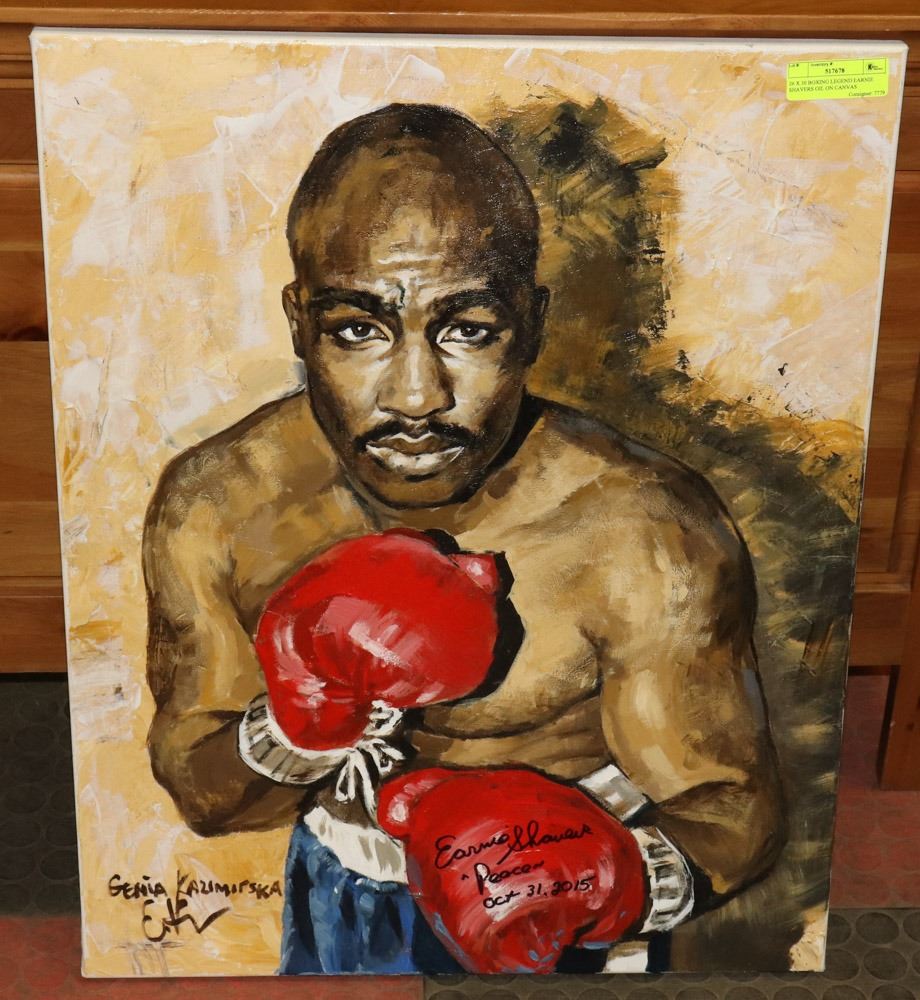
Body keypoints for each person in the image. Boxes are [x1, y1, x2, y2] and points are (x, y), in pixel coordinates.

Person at [143, 103, 784, 975]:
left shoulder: (644, 526)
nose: (416, 396)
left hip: (581, 914)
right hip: (342, 892)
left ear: (532, 322)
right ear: (299, 323)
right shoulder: (219, 503)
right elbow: (204, 794)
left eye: (468, 329)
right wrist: (296, 721)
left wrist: (616, 880)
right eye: (358, 329)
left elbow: (733, 809)